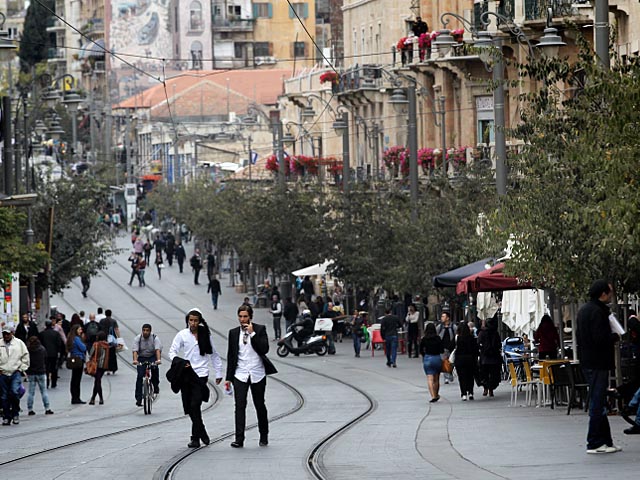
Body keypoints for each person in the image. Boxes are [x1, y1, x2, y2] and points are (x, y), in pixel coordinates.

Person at [576, 279, 622, 454]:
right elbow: (600, 339)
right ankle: (594, 442)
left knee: (600, 401)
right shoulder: (597, 312)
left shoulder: (585, 310)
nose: (611, 295)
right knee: (597, 401)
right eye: (609, 292)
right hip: (597, 362)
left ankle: (606, 441)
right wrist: (615, 337)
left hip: (589, 361)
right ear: (603, 294)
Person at [168, 308, 223, 448]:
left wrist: (218, 373)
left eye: (195, 321)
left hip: (202, 375)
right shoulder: (182, 335)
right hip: (186, 374)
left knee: (195, 405)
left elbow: (214, 354)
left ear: (199, 322)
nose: (192, 323)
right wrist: (181, 363)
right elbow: (172, 352)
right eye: (190, 320)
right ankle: (200, 433)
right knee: (189, 407)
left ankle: (196, 437)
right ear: (187, 321)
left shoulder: (206, 335)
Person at [225, 305, 277, 448]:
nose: (243, 320)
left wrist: (253, 334)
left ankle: (264, 435)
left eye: (245, 317)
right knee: (239, 406)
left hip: (257, 373)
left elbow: (264, 349)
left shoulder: (260, 329)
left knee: (259, 404)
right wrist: (228, 377)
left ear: (250, 317)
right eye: (240, 317)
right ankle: (239, 438)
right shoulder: (233, 333)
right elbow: (231, 356)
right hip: (240, 374)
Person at [0, 326, 29, 425]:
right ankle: (6, 416)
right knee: (3, 396)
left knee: (14, 392)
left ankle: (15, 413)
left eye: (8, 334)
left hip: (15, 372)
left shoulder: (19, 343)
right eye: (4, 334)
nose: (6, 336)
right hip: (2, 373)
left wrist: (21, 369)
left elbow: (25, 357)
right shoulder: (0, 343)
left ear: (12, 333)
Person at [133, 324, 162, 406]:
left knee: (155, 369)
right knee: (139, 376)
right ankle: (138, 398)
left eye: (147, 330)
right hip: (142, 357)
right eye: (144, 330)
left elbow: (157, 350)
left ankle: (155, 386)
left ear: (150, 331)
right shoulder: (138, 338)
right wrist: (135, 360)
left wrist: (158, 360)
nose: (145, 332)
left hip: (152, 356)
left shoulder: (155, 338)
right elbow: (135, 351)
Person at [26, 336, 53, 415]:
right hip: (41, 371)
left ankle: (30, 409)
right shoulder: (42, 349)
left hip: (31, 373)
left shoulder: (28, 350)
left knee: (31, 392)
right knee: (44, 391)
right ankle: (47, 408)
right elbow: (46, 360)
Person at [453, 322, 479, 401]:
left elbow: (451, 346)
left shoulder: (458, 338)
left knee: (462, 377)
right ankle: (470, 392)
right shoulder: (472, 338)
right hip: (470, 359)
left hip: (460, 359)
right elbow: (476, 350)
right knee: (470, 376)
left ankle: (463, 394)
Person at [477, 317, 502, 397]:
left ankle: (486, 388)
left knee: (484, 374)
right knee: (493, 373)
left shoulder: (482, 333)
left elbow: (478, 343)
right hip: (494, 357)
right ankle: (491, 389)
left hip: (485, 357)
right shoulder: (495, 333)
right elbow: (499, 344)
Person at [420, 323, 444, 403]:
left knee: (430, 379)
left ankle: (433, 396)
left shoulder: (424, 339)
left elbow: (420, 350)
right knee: (436, 379)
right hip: (436, 358)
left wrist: (424, 355)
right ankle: (436, 394)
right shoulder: (438, 338)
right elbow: (442, 350)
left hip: (428, 358)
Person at [39, 320, 65, 388]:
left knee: (46, 368)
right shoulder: (55, 333)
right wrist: (59, 351)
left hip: (45, 353)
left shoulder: (42, 334)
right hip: (54, 353)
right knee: (54, 368)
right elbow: (59, 343)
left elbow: (40, 344)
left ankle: (46, 382)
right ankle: (54, 383)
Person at [67, 324, 87, 404]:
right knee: (77, 380)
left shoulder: (71, 338)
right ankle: (76, 397)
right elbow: (83, 348)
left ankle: (74, 397)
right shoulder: (77, 338)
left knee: (74, 379)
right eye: (79, 330)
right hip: (79, 359)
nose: (81, 331)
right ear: (76, 330)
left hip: (73, 359)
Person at [88, 332, 110, 405]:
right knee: (97, 381)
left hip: (96, 365)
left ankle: (98, 398)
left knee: (97, 381)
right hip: (104, 366)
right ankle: (95, 398)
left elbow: (91, 353)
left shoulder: (96, 344)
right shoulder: (107, 345)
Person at [436, 311, 457, 384]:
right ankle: (446, 377)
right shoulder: (440, 327)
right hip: (443, 347)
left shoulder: (453, 327)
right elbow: (437, 335)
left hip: (451, 347)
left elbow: (456, 335)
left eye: (443, 316)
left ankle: (450, 373)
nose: (442, 318)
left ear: (448, 318)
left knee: (451, 362)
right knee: (444, 362)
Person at [99, 310, 120, 374]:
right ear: (111, 314)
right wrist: (119, 338)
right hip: (112, 340)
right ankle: (113, 368)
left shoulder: (102, 321)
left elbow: (99, 329)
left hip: (104, 339)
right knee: (112, 354)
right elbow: (116, 329)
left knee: (106, 355)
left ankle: (107, 368)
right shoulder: (113, 321)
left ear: (105, 314)